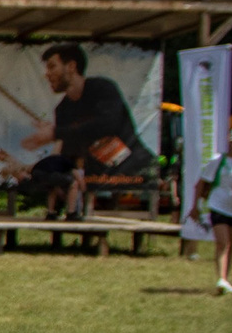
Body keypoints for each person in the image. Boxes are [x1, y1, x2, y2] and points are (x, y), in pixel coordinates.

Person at [14, 43, 145, 220]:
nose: (47, 74)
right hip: (96, 173)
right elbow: (71, 152)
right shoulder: (62, 110)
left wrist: (56, 133)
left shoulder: (103, 89)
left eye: (52, 66)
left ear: (71, 66)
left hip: (135, 167)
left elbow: (107, 124)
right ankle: (65, 212)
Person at [192, 125, 232, 293]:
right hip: (218, 206)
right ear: (230, 142)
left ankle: (225, 279)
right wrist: (194, 207)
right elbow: (200, 184)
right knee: (223, 243)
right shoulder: (218, 160)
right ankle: (221, 278)